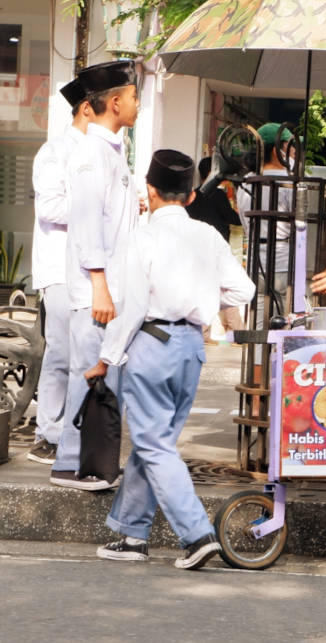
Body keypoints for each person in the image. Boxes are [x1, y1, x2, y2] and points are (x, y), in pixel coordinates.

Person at [86, 149, 255, 569]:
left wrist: (106, 358)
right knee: (154, 443)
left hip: (152, 345)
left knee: (154, 444)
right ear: (191, 195)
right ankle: (133, 535)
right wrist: (203, 300)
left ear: (149, 190)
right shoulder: (208, 236)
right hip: (191, 348)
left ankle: (197, 535)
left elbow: (133, 308)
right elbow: (244, 290)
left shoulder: (141, 238)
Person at [50, 60, 140, 490]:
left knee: (101, 378)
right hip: (95, 291)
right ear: (116, 102)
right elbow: (86, 224)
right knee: (88, 374)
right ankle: (72, 463)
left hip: (111, 288)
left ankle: (94, 463)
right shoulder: (90, 154)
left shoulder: (111, 151)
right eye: (135, 97)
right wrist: (100, 285)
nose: (138, 104)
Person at [26, 78, 92, 465]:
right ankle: (48, 434)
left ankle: (74, 433)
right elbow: (50, 208)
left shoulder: (105, 153)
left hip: (93, 271)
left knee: (86, 356)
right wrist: (98, 207)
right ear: (87, 109)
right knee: (62, 354)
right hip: (61, 269)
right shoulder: (55, 152)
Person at [236, 123, 294, 323]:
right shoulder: (290, 182)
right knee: (287, 329)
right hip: (284, 262)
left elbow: (245, 221)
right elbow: (300, 225)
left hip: (256, 262)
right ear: (277, 150)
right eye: (289, 146)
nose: (293, 151)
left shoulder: (246, 182)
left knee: (258, 328)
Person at [187, 156, 244, 341]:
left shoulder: (192, 196)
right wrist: (246, 218)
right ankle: (237, 332)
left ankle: (204, 333)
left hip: (196, 252)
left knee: (203, 291)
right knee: (226, 289)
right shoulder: (217, 195)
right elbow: (230, 217)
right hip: (216, 250)